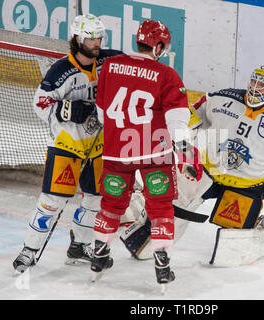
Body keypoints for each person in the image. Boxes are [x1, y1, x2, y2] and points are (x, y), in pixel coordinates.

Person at [120, 65, 264, 267]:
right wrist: (182, 136)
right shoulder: (222, 99)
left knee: (230, 254)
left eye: (262, 85)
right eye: (254, 81)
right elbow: (188, 115)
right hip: (207, 171)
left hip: (245, 186)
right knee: (145, 244)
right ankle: (137, 203)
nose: (255, 88)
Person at [91, 19, 202, 287]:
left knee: (111, 204)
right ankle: (162, 264)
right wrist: (187, 156)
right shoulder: (166, 75)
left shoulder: (109, 67)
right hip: (154, 152)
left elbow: (102, 112)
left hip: (117, 151)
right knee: (160, 206)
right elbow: (177, 121)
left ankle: (99, 255)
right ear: (158, 45)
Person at [13, 14, 124, 273]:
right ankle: (29, 249)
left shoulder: (110, 59)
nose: (96, 43)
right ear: (76, 39)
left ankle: (79, 246)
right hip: (68, 143)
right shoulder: (60, 70)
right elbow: (40, 105)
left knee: (96, 197)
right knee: (53, 200)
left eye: (99, 38)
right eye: (91, 38)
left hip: (98, 143)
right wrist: (68, 110)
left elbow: (135, 68)